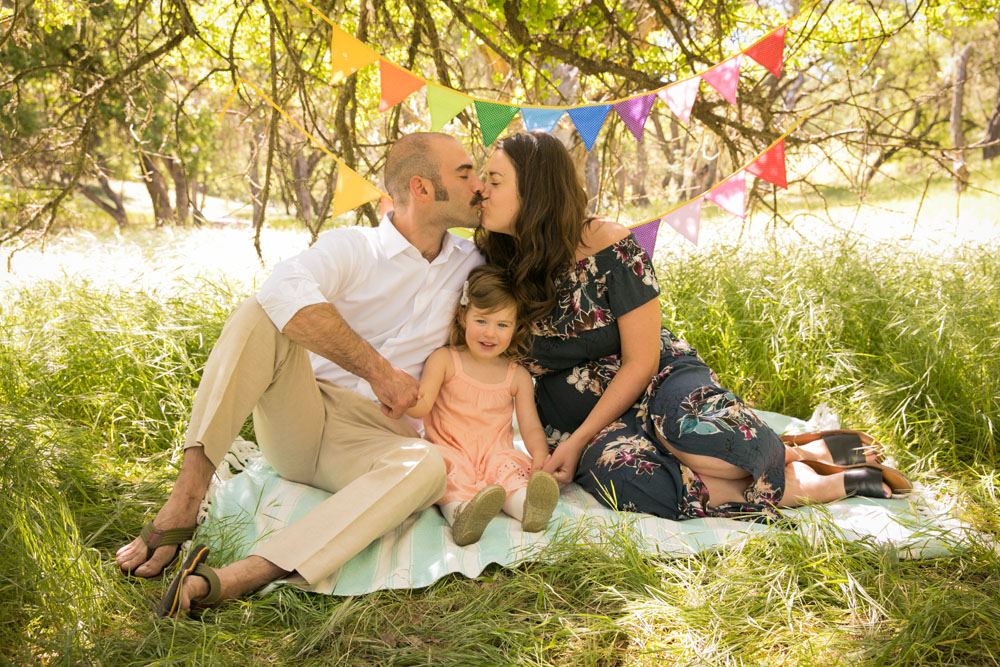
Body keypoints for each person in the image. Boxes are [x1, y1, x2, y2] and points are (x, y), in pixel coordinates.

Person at [115, 132, 486, 616]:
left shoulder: (475, 264)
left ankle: (243, 575)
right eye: (465, 173)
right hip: (302, 414)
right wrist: (379, 371)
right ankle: (185, 499)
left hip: (375, 440)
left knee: (428, 466)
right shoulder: (354, 247)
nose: (479, 185)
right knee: (260, 310)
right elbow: (284, 288)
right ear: (421, 187)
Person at [474, 131, 911, 522]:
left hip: (657, 379)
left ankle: (795, 453)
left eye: (494, 181)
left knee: (692, 432)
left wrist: (579, 439)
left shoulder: (609, 245)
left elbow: (641, 361)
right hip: (578, 421)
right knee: (627, 480)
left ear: (535, 189)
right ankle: (811, 483)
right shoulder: (494, 264)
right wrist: (571, 443)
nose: (481, 191)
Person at [405, 264, 560, 546]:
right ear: (463, 317)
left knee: (510, 474)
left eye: (502, 325)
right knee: (450, 476)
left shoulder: (517, 375)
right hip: (451, 449)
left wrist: (540, 455)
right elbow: (422, 406)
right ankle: (463, 515)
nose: (490, 333)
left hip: (494, 453)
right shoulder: (445, 360)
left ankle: (529, 508)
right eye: (482, 321)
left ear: (516, 329)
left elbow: (530, 426)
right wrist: (401, 398)